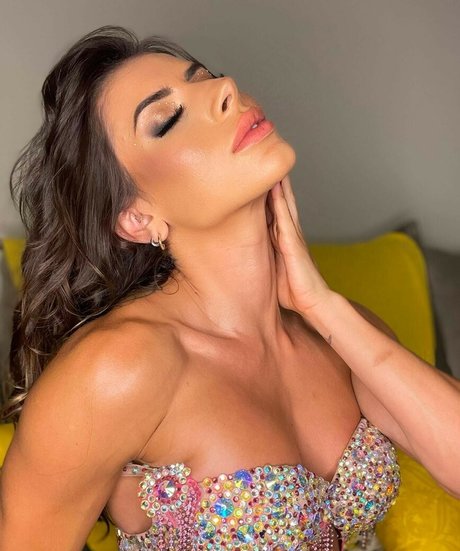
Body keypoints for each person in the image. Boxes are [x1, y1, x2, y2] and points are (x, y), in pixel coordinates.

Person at [0, 24, 459, 551]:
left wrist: (323, 306)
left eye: (209, 77)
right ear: (136, 217)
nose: (227, 89)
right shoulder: (115, 368)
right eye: (167, 119)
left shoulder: (339, 332)